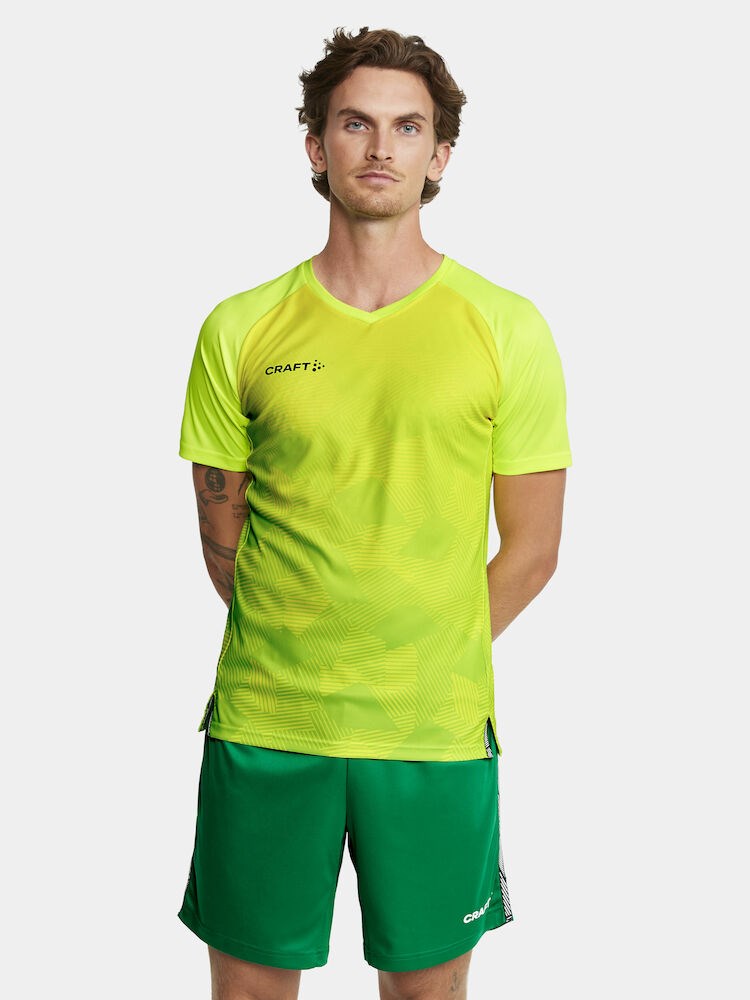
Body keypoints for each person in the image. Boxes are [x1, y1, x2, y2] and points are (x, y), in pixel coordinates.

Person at [177, 25, 572, 1000]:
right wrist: (311, 638)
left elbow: (533, 548)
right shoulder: (239, 327)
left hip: (433, 732)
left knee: (426, 991)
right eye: (356, 123)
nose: (381, 147)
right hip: (270, 722)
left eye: (408, 127)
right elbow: (223, 541)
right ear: (317, 145)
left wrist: (419, 650)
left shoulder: (507, 328)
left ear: (441, 155)